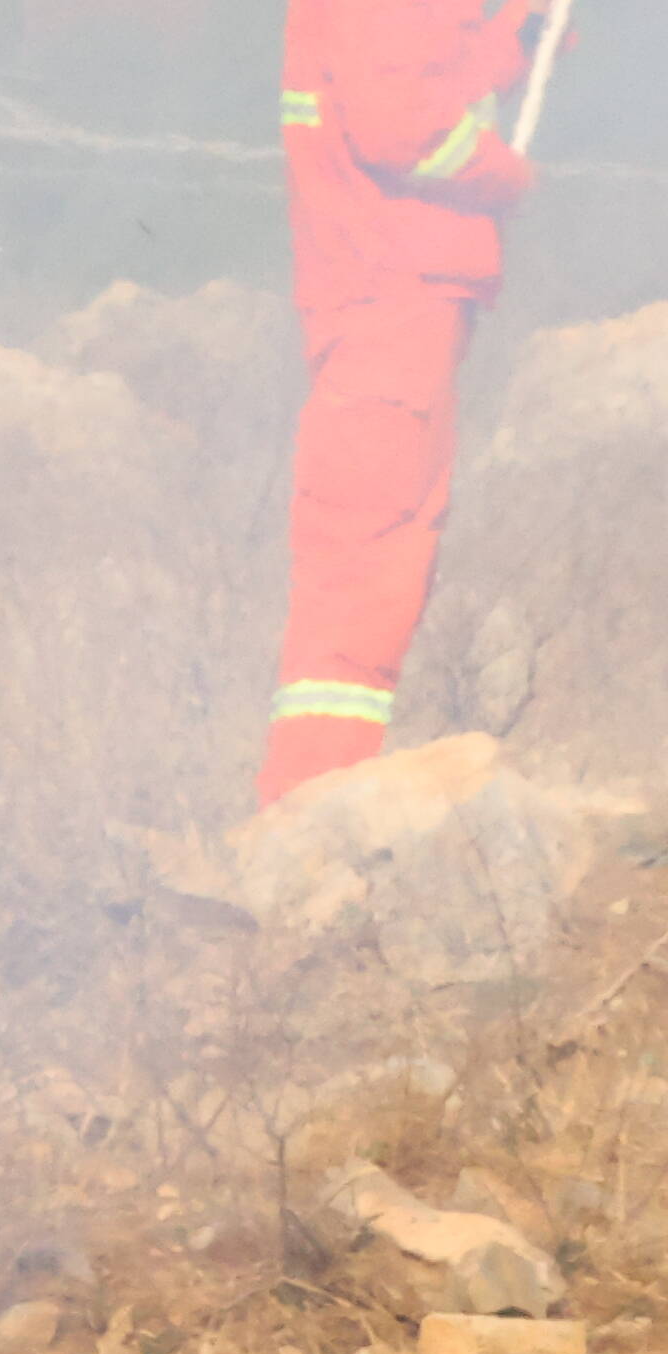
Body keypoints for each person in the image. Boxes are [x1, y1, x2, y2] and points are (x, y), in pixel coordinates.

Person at [275, 0, 547, 802]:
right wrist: (507, 174)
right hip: (389, 291)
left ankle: (324, 795)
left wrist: (515, 28)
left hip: (398, 293)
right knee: (365, 563)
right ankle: (314, 799)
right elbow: (402, 125)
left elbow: (434, 72)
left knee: (384, 560)